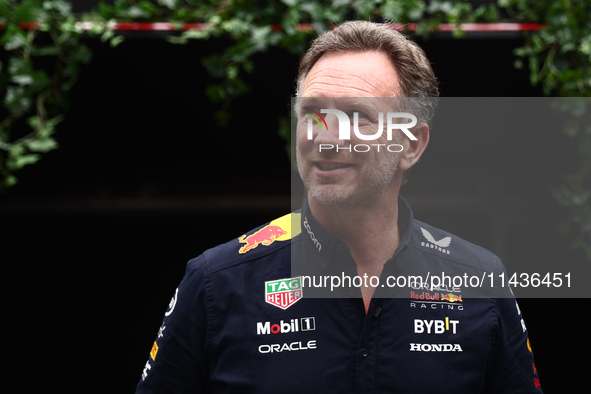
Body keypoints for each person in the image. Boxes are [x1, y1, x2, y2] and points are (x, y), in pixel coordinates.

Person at [136, 21, 542, 393]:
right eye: (312, 113)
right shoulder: (215, 282)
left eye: (357, 116)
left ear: (412, 144)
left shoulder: (480, 282)